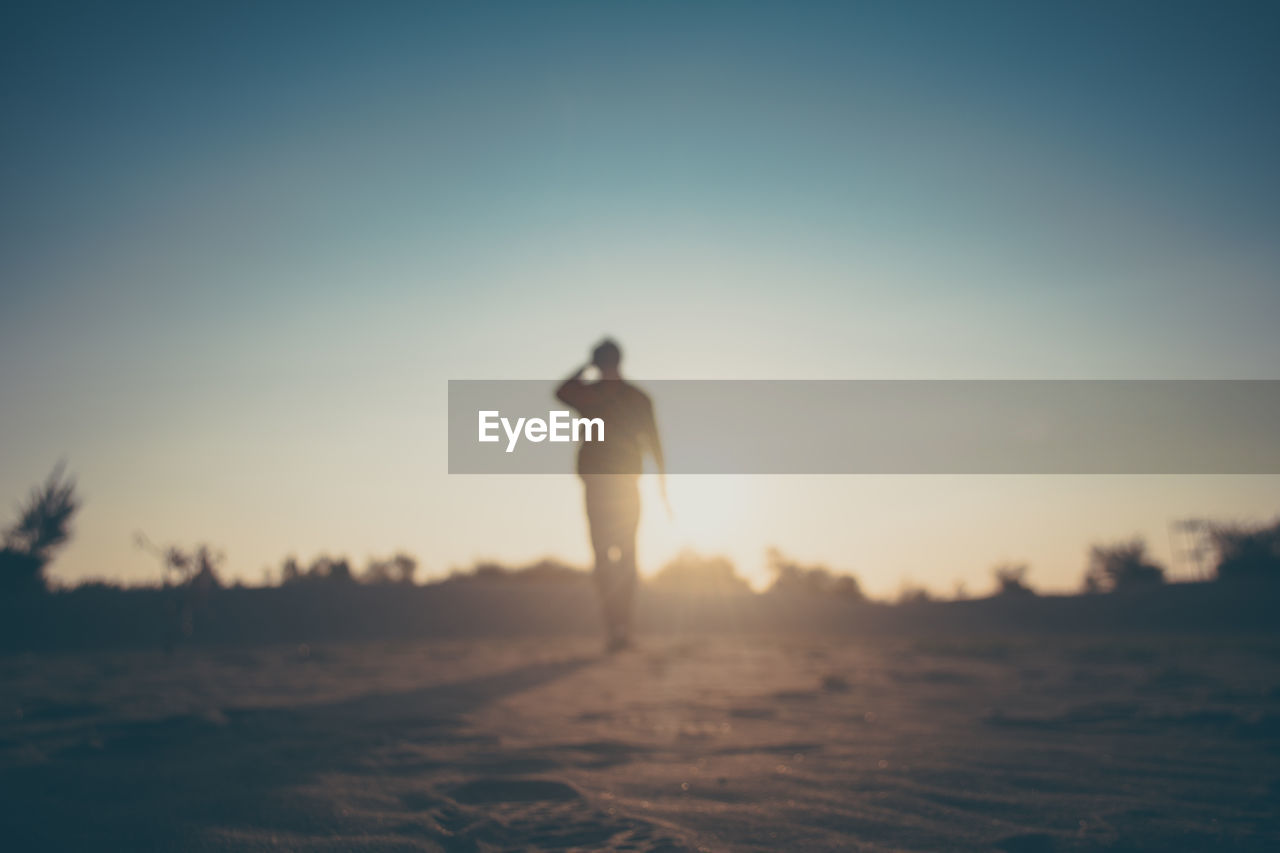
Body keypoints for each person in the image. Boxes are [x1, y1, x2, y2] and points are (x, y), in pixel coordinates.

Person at [556, 339, 665, 652]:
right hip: (605, 485)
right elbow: (561, 392)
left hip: (620, 486)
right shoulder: (604, 396)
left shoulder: (607, 397)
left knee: (619, 558)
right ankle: (616, 629)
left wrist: (663, 486)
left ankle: (621, 628)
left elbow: (654, 443)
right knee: (612, 558)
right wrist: (663, 486)